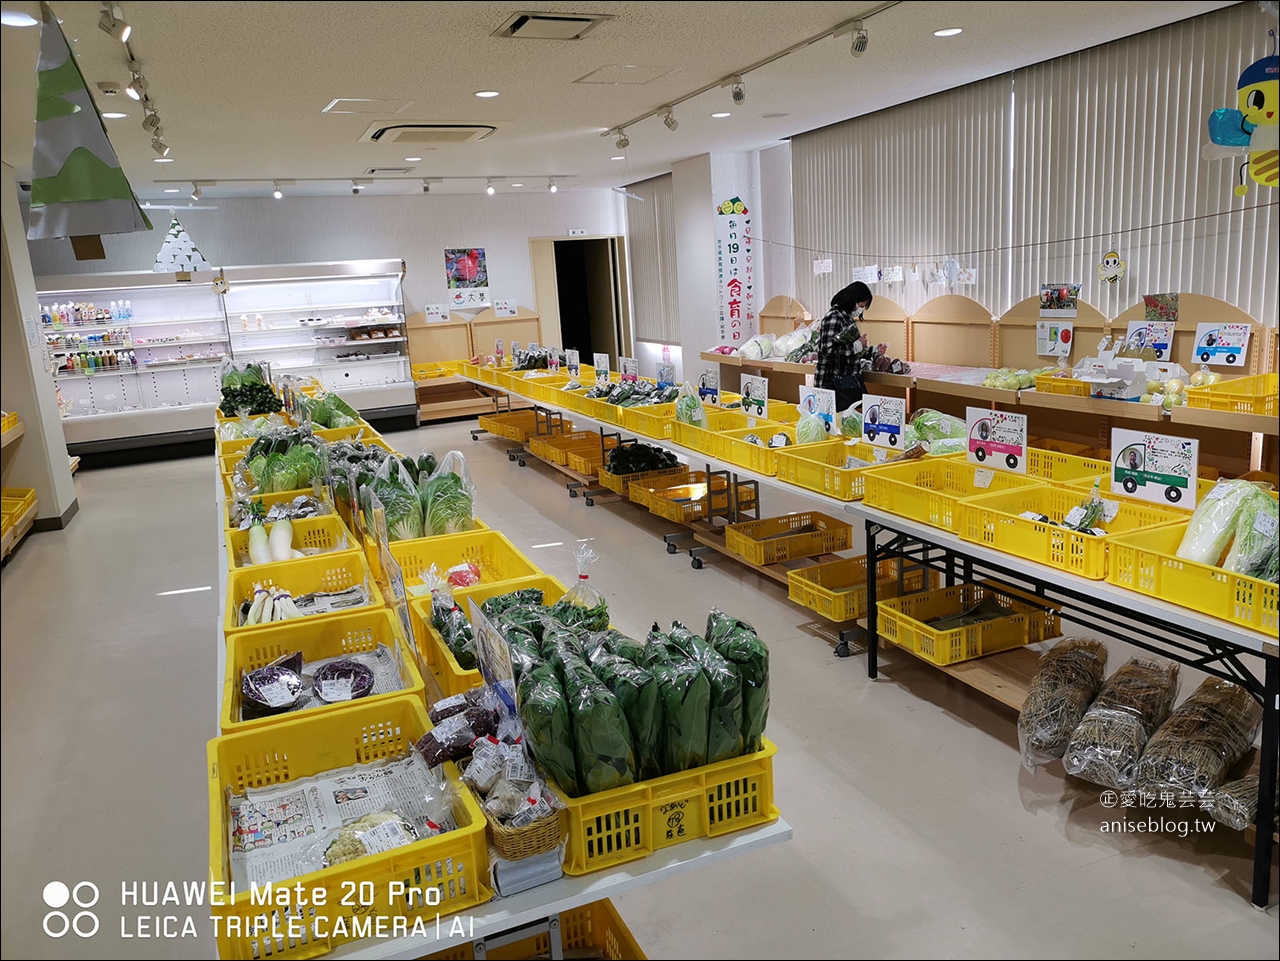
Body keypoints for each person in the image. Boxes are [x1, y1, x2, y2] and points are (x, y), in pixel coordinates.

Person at [815, 281, 873, 410]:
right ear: (852, 300)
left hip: (844, 383)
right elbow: (827, 350)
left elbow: (850, 348)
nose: (860, 309)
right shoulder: (834, 317)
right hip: (831, 383)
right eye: (860, 305)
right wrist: (856, 346)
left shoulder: (846, 318)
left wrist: (871, 350)